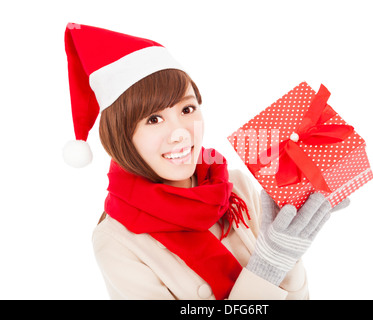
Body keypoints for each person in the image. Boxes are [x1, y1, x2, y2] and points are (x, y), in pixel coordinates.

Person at [63, 23, 349, 300]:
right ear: (121, 135)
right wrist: (269, 265)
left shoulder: (237, 186)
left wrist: (289, 253)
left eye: (187, 109)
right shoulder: (115, 242)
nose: (180, 133)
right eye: (154, 119)